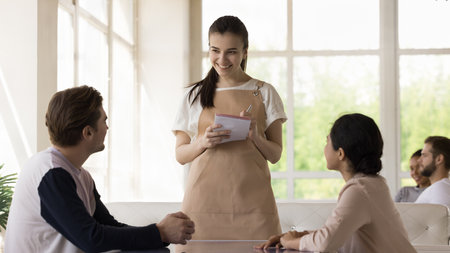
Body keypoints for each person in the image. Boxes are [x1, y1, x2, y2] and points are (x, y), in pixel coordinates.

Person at [4, 86, 195, 253]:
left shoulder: (78, 174)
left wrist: (160, 234)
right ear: (87, 132)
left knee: (157, 251)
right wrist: (159, 231)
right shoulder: (50, 173)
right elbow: (91, 239)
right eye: (104, 121)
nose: (107, 127)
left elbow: (108, 225)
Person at [172, 15, 286, 240]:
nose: (222, 59)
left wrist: (256, 137)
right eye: (215, 50)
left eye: (231, 51)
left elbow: (275, 155)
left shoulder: (264, 92)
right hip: (202, 207)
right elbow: (180, 155)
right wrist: (203, 141)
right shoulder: (193, 96)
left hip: (255, 208)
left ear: (245, 52)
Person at [255, 113, 416, 253]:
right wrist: (296, 237)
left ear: (340, 153)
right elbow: (338, 234)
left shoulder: (359, 190)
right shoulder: (374, 184)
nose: (324, 148)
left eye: (327, 142)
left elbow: (325, 243)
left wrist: (289, 242)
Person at [415, 136, 450, 209]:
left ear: (439, 159)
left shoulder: (440, 189)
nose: (419, 160)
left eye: (424, 155)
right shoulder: (438, 188)